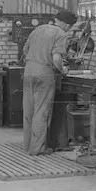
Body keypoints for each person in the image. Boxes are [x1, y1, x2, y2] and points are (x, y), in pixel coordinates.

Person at [22, 10, 77, 155]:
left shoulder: (38, 29)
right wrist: (62, 70)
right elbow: (57, 58)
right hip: (44, 73)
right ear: (65, 24)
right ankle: (38, 149)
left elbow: (25, 50)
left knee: (29, 110)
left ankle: (28, 146)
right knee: (42, 111)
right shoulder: (60, 34)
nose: (68, 30)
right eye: (69, 27)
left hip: (28, 71)